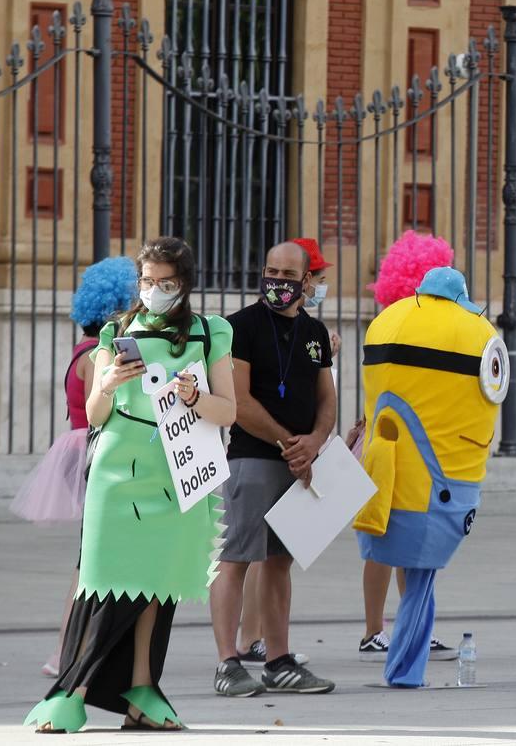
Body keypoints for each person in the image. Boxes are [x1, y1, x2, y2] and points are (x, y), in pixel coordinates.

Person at [25, 237, 237, 733]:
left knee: (157, 588)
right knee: (100, 584)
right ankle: (72, 691)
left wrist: (194, 396)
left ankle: (143, 690)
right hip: (116, 473)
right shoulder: (115, 331)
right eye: (147, 281)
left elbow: (228, 410)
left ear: (183, 283)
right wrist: (109, 382)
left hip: (177, 472)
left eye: (166, 282)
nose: (155, 290)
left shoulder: (210, 334)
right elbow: (96, 415)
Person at [354, 266, 508, 687]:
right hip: (445, 479)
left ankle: (401, 659)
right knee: (420, 575)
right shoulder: (477, 330)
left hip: (387, 471)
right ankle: (404, 670)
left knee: (407, 565)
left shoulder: (387, 321)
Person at [209, 241, 336, 697]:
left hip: (299, 464)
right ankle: (228, 662)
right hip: (253, 459)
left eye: (288, 273)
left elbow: (327, 399)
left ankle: (279, 660)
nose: (277, 280)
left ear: (306, 281)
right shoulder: (238, 327)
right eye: (270, 270)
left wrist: (317, 441)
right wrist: (289, 443)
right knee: (236, 557)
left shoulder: (316, 333)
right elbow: (239, 402)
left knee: (280, 562)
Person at [12, 257, 140, 677]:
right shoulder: (97, 356)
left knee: (95, 558)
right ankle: (67, 653)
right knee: (91, 562)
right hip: (95, 451)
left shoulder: (80, 349)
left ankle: (83, 650)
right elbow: (106, 410)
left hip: (79, 447)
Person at [355, 230, 460, 661]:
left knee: (413, 537)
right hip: (389, 442)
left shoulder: (428, 328)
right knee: (382, 535)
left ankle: (412, 625)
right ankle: (375, 630)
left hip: (422, 445)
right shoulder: (393, 325)